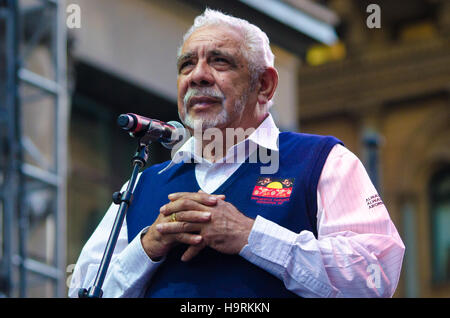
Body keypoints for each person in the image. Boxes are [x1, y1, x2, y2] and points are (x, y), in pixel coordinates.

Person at [69, 9, 405, 298]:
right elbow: (83, 289)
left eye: (219, 61)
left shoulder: (322, 161)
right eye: (187, 64)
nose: (198, 75)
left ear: (264, 86)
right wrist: (146, 247)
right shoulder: (141, 186)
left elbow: (376, 275)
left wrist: (249, 235)